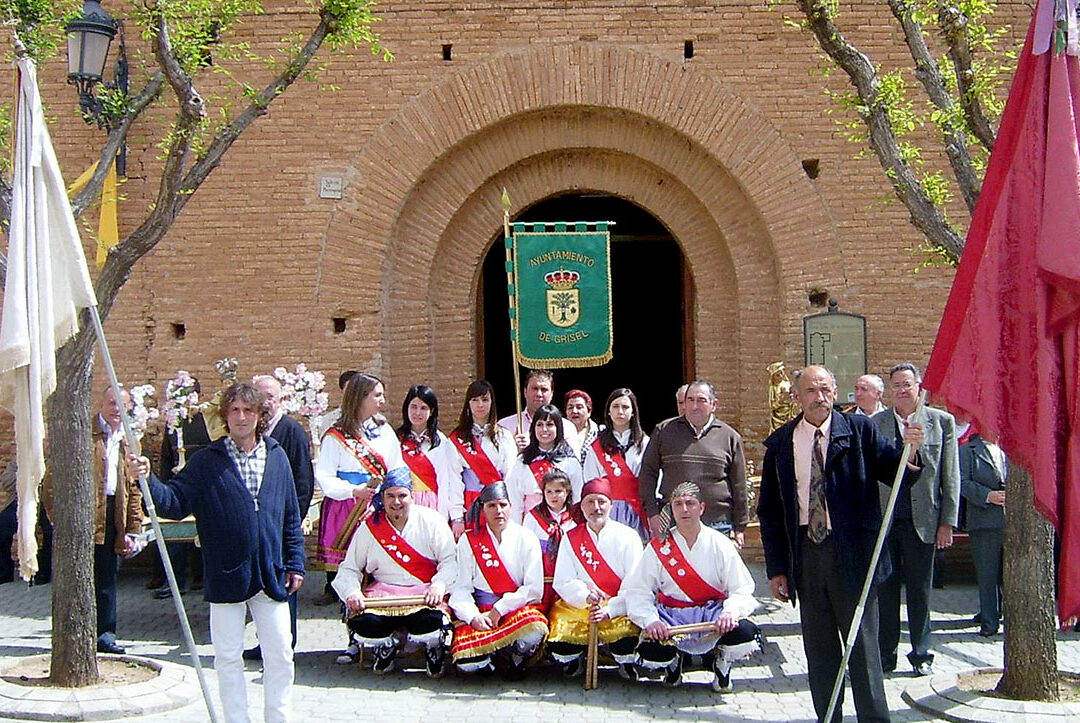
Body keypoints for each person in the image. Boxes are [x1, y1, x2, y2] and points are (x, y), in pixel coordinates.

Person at [127, 382, 305, 723]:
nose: (241, 417)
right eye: (235, 410)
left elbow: (289, 516)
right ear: (225, 416)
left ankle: (278, 718)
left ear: (259, 415)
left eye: (248, 411)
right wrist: (147, 481)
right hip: (226, 572)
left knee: (281, 653)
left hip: (271, 572)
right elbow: (176, 503)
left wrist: (295, 563)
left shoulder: (277, 455)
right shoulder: (208, 461)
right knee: (226, 657)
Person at [757, 365, 924, 723]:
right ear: (797, 397)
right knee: (819, 650)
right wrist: (777, 570)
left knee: (863, 649)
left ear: (836, 392)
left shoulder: (861, 431)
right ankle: (828, 716)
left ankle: (874, 719)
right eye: (811, 391)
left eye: (826, 390)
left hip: (854, 555)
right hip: (806, 554)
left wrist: (910, 452)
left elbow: (895, 474)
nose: (820, 398)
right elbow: (770, 511)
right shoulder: (781, 444)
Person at [624, 481, 760, 691]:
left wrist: (730, 613)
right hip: (672, 617)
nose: (684, 509)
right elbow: (638, 590)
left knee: (744, 633)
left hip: (713, 615)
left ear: (702, 508)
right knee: (651, 649)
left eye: (690, 503)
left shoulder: (720, 543)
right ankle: (672, 663)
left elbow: (741, 588)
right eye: (678, 504)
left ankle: (722, 663)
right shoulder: (659, 547)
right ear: (670, 509)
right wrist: (651, 621)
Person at [314, 372, 409, 663]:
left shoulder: (385, 432)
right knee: (350, 574)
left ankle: (384, 633)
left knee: (379, 572)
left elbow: (398, 468)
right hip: (348, 510)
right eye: (376, 395)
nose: (382, 400)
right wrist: (352, 491)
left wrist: (393, 497)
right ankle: (353, 637)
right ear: (360, 397)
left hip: (379, 507)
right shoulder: (336, 436)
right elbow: (325, 476)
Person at [871, 362, 959, 676]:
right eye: (896, 385)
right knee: (886, 590)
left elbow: (950, 474)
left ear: (919, 387)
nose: (902, 390)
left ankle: (922, 654)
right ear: (889, 391)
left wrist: (947, 521)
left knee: (921, 592)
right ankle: (886, 654)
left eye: (907, 384)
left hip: (924, 521)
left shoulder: (940, 422)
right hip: (886, 522)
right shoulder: (875, 424)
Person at [44, 387, 143, 654]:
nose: (116, 410)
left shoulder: (129, 439)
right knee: (77, 574)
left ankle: (105, 635)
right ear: (101, 403)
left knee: (107, 577)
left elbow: (133, 487)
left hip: (114, 513)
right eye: (112, 403)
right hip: (83, 512)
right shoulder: (84, 433)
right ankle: (72, 634)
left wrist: (132, 529)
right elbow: (52, 480)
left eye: (123, 406)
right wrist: (57, 519)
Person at [332, 473, 458, 677]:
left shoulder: (432, 520)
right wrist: (352, 593)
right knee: (364, 624)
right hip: (383, 595)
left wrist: (439, 585)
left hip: (423, 593)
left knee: (432, 622)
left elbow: (451, 561)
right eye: (390, 496)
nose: (396, 502)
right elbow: (350, 567)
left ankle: (433, 648)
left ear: (412, 497)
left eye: (402, 495)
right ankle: (386, 646)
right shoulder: (371, 527)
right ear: (382, 498)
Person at [245, 374, 315, 660]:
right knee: (265, 584)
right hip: (260, 524)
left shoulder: (292, 431)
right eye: (260, 397)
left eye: (270, 397)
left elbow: (303, 480)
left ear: (281, 399)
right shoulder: (253, 433)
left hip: (283, 524)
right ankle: (266, 642)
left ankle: (285, 644)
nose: (266, 403)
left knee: (287, 582)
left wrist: (292, 520)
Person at [449, 482, 548, 679]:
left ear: (511, 506)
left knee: (535, 628)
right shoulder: (469, 540)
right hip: (482, 611)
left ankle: (516, 656)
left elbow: (533, 588)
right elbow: (461, 587)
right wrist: (473, 617)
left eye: (503, 505)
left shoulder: (526, 537)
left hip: (514, 609)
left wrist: (501, 608)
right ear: (483, 509)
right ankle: (491, 657)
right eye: (491, 506)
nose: (498, 511)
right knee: (467, 663)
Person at [548, 477, 643, 679]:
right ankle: (577, 658)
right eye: (590, 502)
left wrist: (610, 609)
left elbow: (636, 583)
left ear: (611, 505)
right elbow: (563, 580)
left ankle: (623, 661)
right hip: (582, 606)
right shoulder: (570, 537)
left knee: (626, 639)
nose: (596, 507)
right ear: (581, 506)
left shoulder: (628, 536)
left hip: (618, 606)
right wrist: (585, 596)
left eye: (602, 501)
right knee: (562, 643)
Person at [637, 380, 748, 545]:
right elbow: (647, 474)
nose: (694, 406)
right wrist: (653, 515)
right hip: (673, 524)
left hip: (718, 525)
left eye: (701, 400)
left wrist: (739, 528)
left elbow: (739, 485)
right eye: (690, 400)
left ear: (714, 404)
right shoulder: (664, 431)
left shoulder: (730, 437)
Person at [151, 397, 211, 599]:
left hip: (202, 486)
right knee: (175, 538)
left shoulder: (206, 422)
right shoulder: (173, 424)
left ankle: (200, 576)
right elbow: (167, 456)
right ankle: (174, 581)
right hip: (178, 485)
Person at [447, 379, 517, 538]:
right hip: (470, 503)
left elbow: (511, 476)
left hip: (497, 504)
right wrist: (457, 516)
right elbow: (454, 479)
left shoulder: (504, 436)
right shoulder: (457, 439)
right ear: (468, 403)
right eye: (475, 400)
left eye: (485, 400)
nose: (480, 405)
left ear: (492, 402)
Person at [583, 388, 651, 540]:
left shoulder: (645, 444)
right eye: (615, 407)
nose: (620, 411)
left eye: (625, 407)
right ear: (608, 411)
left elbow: (653, 477)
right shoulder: (596, 448)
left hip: (639, 512)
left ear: (633, 412)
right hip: (608, 511)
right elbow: (591, 482)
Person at [958, 425, 1006, 637]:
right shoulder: (968, 451)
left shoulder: (1012, 449)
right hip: (985, 521)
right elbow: (962, 483)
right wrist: (987, 495)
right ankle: (989, 621)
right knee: (988, 574)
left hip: (1013, 523)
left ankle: (1009, 617)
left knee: (1010, 574)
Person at [504, 405, 584, 520]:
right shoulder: (522, 461)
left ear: (558, 428)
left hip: (563, 526)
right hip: (531, 525)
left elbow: (576, 500)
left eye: (550, 425)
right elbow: (515, 502)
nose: (544, 429)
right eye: (540, 425)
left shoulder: (570, 461)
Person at [396, 384, 461, 519]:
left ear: (431, 411)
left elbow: (445, 481)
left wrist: (445, 517)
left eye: (423, 408)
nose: (417, 413)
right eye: (413, 407)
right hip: (402, 503)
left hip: (432, 504)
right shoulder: (396, 440)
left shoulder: (441, 442)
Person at [521, 469, 578, 611]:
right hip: (541, 579)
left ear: (567, 492)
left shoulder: (576, 516)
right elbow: (525, 550)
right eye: (549, 492)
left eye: (558, 491)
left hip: (568, 579)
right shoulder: (533, 517)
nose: (554, 496)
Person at [497, 368, 577, 452]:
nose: (539, 394)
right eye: (535, 388)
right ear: (525, 392)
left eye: (544, 389)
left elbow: (573, 462)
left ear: (552, 394)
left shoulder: (567, 427)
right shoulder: (504, 426)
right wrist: (513, 448)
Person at [564, 389, 600, 465]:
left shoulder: (600, 433)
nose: (574, 411)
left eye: (579, 407)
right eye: (570, 407)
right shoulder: (558, 433)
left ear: (589, 412)